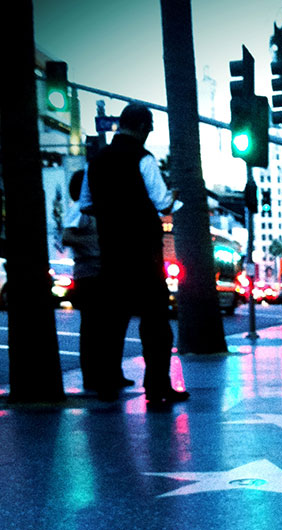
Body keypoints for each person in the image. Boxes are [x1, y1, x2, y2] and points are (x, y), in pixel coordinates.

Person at [81, 103, 189, 409]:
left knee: (111, 325)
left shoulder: (96, 161)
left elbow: (86, 204)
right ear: (141, 125)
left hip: (112, 256)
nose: (151, 130)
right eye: (150, 125)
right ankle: (157, 387)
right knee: (156, 327)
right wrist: (175, 196)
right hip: (144, 256)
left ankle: (106, 384)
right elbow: (163, 202)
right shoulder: (144, 159)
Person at [62, 169, 134, 395]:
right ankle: (94, 376)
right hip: (89, 273)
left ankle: (111, 373)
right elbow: (67, 236)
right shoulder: (79, 211)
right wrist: (96, 242)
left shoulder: (98, 210)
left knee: (108, 326)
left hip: (103, 272)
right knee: (94, 327)